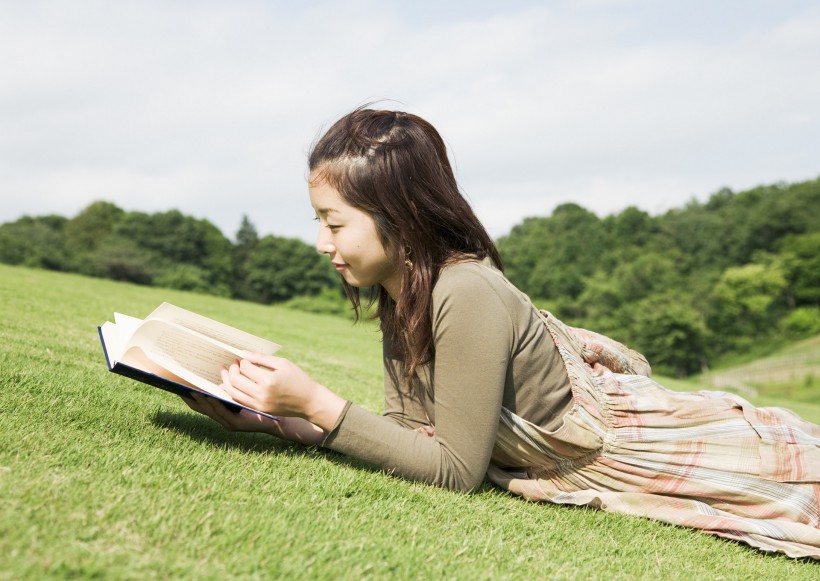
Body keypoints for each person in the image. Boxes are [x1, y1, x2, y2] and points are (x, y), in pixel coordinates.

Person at [184, 107, 820, 560]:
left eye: (335, 223)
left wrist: (317, 402)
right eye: (317, 221)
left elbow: (454, 469)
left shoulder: (465, 290)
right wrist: (283, 424)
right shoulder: (400, 292)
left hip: (651, 448)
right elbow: (410, 438)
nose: (322, 244)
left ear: (398, 217)